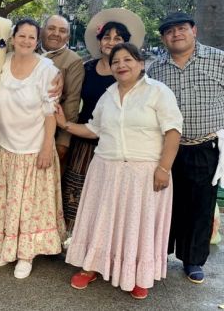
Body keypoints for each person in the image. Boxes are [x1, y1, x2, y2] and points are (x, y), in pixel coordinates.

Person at [56, 42, 182, 299]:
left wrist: (164, 168)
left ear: (141, 63)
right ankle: (91, 266)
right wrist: (65, 124)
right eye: (115, 62)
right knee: (101, 221)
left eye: (127, 60)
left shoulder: (158, 92)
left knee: (138, 225)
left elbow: (173, 131)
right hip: (106, 168)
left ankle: (137, 275)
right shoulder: (109, 94)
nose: (121, 65)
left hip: (144, 172)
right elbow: (94, 129)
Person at [148, 12, 224, 284]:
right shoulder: (156, 69)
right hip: (168, 148)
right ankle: (160, 255)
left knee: (201, 205)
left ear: (194, 30)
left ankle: (193, 260)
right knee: (165, 203)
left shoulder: (218, 59)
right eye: (169, 31)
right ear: (163, 38)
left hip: (205, 145)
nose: (176, 34)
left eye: (181, 28)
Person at [0, 19, 66, 279]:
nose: (27, 41)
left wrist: (46, 148)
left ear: (37, 40)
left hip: (34, 147)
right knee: (8, 202)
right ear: (13, 37)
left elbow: (50, 112)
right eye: (22, 36)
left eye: (32, 37)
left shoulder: (47, 70)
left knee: (30, 206)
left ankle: (25, 254)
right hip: (7, 146)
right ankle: (6, 247)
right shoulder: (3, 62)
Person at [62, 8, 145, 234]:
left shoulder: (131, 73)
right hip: (84, 140)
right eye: (106, 37)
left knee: (108, 197)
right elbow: (71, 97)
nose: (111, 42)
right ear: (99, 42)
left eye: (117, 38)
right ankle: (75, 239)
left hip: (116, 143)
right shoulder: (86, 68)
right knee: (76, 192)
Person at [37, 15, 84, 167]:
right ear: (42, 30)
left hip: (51, 130)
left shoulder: (72, 60)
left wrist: (64, 141)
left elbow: (72, 101)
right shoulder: (28, 49)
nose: (56, 34)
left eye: (62, 31)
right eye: (51, 28)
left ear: (68, 37)